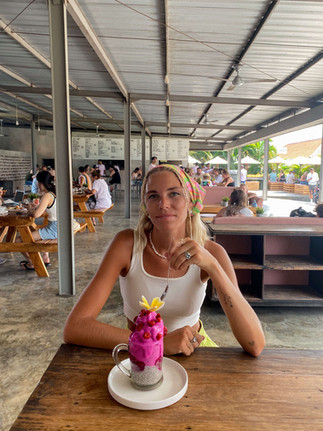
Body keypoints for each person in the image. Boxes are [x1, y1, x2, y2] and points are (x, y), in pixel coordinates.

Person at [64, 164, 265, 357]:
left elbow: (255, 344)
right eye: (153, 196)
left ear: (191, 201)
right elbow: (75, 327)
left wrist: (212, 266)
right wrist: (156, 343)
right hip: (138, 351)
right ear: (145, 206)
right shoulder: (127, 245)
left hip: (194, 353)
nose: (163, 204)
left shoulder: (212, 252)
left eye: (174, 194)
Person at [18, 170, 57, 270]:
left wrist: (30, 209)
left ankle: (33, 263)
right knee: (33, 234)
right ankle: (45, 258)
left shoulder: (47, 195)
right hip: (57, 226)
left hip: (54, 229)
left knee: (19, 241)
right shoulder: (53, 193)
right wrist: (34, 207)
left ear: (40, 183)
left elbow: (36, 214)